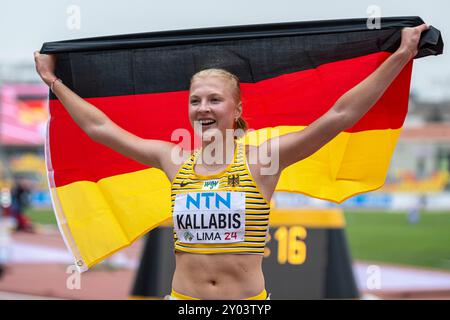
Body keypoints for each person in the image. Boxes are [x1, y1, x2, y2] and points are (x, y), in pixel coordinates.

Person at [34, 24, 429, 300]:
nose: (202, 108)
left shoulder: (263, 161)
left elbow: (339, 116)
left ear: (236, 108)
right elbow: (101, 128)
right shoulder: (173, 161)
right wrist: (54, 82)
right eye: (195, 100)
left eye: (213, 99)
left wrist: (401, 54)